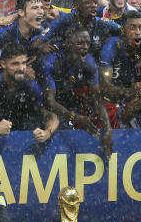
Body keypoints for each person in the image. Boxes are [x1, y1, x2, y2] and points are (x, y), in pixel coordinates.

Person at [39, 27, 112, 156]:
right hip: (45, 108)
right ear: (68, 44)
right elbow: (49, 101)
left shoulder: (89, 63)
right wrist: (73, 117)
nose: (85, 47)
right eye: (80, 43)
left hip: (71, 106)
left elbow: (97, 99)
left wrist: (107, 130)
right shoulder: (50, 62)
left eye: (88, 43)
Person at [0, 42, 58, 141]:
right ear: (3, 64)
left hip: (19, 142)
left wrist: (47, 132)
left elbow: (50, 115)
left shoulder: (30, 85)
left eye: (24, 63)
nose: (21, 68)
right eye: (15, 64)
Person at [46, 0, 122, 62]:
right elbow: (43, 36)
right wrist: (42, 45)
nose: (93, 5)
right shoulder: (63, 21)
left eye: (95, 2)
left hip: (94, 68)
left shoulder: (102, 23)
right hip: (65, 66)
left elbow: (123, 29)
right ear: (76, 5)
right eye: (87, 2)